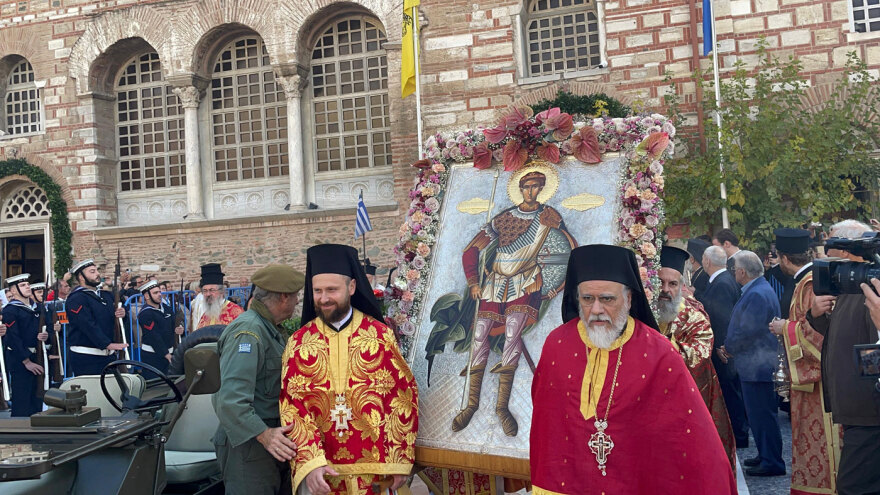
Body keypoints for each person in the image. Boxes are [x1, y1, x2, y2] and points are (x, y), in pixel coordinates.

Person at [530, 244, 735, 493]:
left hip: (635, 480)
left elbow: (689, 435)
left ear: (628, 299)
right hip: (569, 480)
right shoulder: (557, 344)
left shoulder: (659, 351)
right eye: (587, 299)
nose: (596, 310)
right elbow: (547, 424)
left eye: (607, 299)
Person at [280, 244, 418, 495]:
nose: (324, 298)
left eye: (332, 290)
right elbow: (293, 406)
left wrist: (399, 459)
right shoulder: (299, 342)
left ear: (352, 287)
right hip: (321, 473)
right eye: (318, 291)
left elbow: (402, 398)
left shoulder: (379, 336)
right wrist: (310, 463)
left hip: (375, 470)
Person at [455, 170, 576, 436]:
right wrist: (474, 282)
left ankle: (502, 407)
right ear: (520, 188)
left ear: (542, 189)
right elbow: (471, 250)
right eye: (527, 187)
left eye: (537, 187)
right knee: (479, 335)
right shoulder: (503, 219)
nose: (531, 192)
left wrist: (555, 285)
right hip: (494, 283)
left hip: (526, 282)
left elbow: (567, 248)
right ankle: (471, 404)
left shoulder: (549, 217)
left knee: (512, 336)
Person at [212, 264, 304, 495]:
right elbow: (230, 400)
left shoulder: (268, 328)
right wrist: (265, 435)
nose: (296, 303)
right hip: (250, 447)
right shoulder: (248, 332)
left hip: (266, 445)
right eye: (295, 297)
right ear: (284, 297)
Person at [809, 220, 880, 494]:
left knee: (853, 488)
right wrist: (815, 316)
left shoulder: (870, 285)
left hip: (868, 414)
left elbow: (873, 345)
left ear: (849, 251)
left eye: (831, 247)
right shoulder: (848, 286)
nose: (826, 257)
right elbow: (841, 336)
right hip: (856, 412)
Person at [767, 228, 839, 492]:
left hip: (818, 388)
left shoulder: (810, 283)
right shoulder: (807, 280)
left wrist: (785, 328)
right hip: (807, 386)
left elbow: (821, 338)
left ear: (784, 258)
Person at [658, 246, 735, 469]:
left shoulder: (694, 316)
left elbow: (698, 355)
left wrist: (656, 348)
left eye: (672, 284)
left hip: (689, 401)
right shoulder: (641, 313)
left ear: (681, 286)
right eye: (660, 283)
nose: (665, 290)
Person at [722, 251, 785, 476]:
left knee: (762, 415)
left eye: (735, 269)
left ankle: (772, 462)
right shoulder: (759, 289)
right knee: (759, 415)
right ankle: (765, 455)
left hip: (758, 366)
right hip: (756, 364)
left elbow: (748, 330)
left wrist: (728, 348)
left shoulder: (757, 293)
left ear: (742, 272)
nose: (734, 273)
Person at [701, 245, 750, 448]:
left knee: (730, 392)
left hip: (723, 349)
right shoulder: (723, 279)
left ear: (707, 261)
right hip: (725, 346)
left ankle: (739, 435)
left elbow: (721, 318)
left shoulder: (721, 283)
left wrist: (722, 347)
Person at [66, 260, 128, 376]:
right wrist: (106, 344)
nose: (97, 274)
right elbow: (86, 324)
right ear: (81, 277)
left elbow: (115, 319)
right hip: (87, 357)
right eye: (92, 272)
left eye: (97, 271)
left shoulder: (106, 295)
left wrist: (122, 314)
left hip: (108, 355)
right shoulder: (76, 298)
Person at [2, 274, 48, 416]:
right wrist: (26, 361)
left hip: (38, 356)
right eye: (22, 285)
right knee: (22, 403)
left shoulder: (38, 308)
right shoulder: (11, 310)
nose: (27, 286)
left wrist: (46, 337)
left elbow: (47, 328)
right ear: (13, 291)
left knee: (37, 402)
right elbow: (13, 339)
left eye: (27, 284)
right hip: (21, 361)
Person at [136, 280, 183, 377]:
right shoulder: (145, 313)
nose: (159, 294)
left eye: (159, 292)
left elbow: (174, 323)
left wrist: (179, 329)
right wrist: (165, 354)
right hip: (153, 356)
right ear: (147, 296)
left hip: (170, 352)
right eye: (155, 293)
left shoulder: (166, 308)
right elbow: (153, 336)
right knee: (156, 385)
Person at [190, 263, 243, 331]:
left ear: (221, 291)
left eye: (212, 290)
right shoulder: (205, 316)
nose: (208, 294)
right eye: (205, 291)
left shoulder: (237, 312)